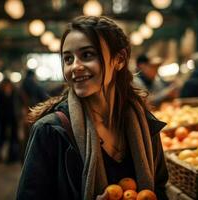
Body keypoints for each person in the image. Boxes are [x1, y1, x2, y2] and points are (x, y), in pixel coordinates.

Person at [17, 16, 168, 200]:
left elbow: (159, 188)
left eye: (87, 55)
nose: (75, 67)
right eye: (68, 59)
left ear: (119, 59)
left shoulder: (145, 123)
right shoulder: (50, 131)